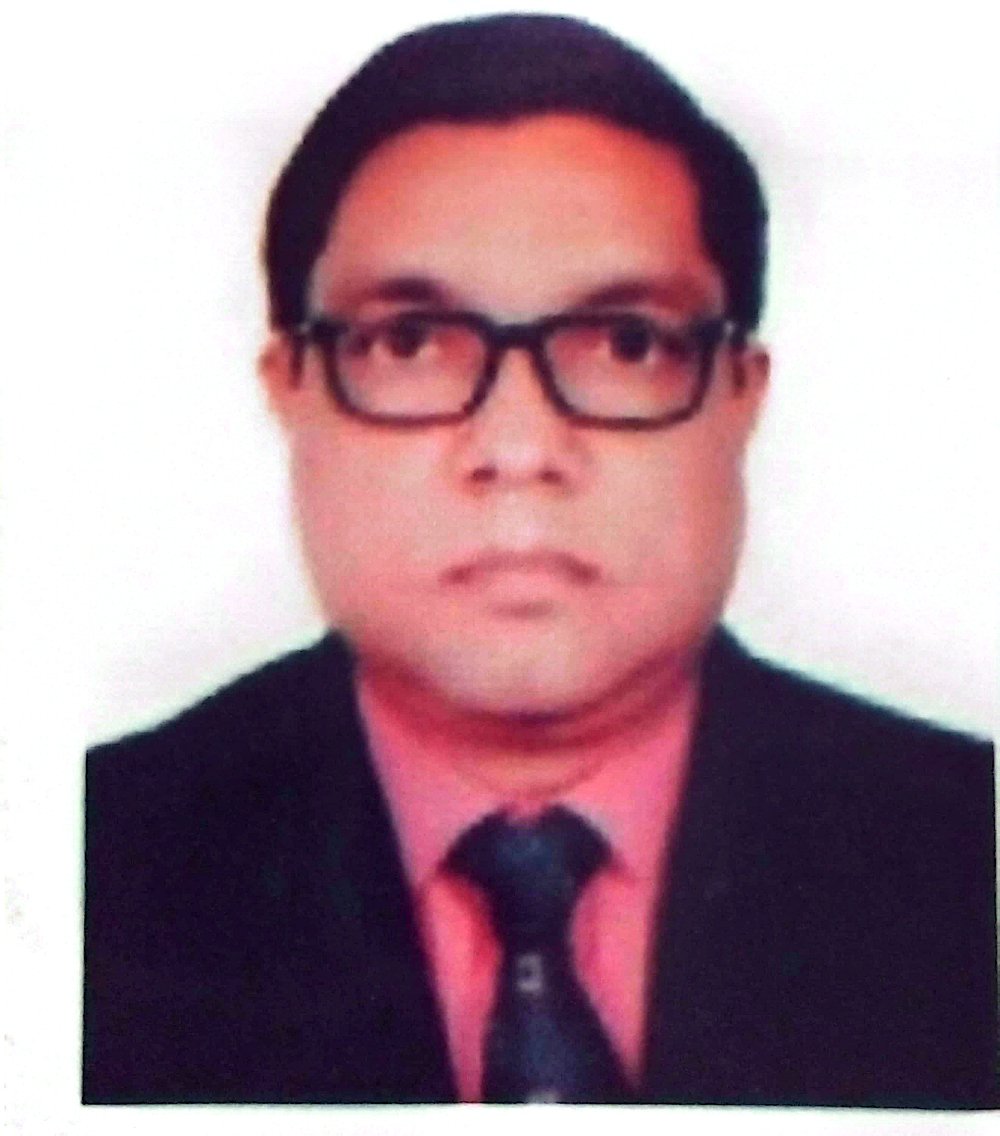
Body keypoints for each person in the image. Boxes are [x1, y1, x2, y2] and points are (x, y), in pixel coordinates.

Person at [83, 13, 996, 1107]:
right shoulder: (85, 861)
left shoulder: (965, 852)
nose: (519, 449)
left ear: (741, 396)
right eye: (410, 341)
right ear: (291, 389)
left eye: (626, 344)